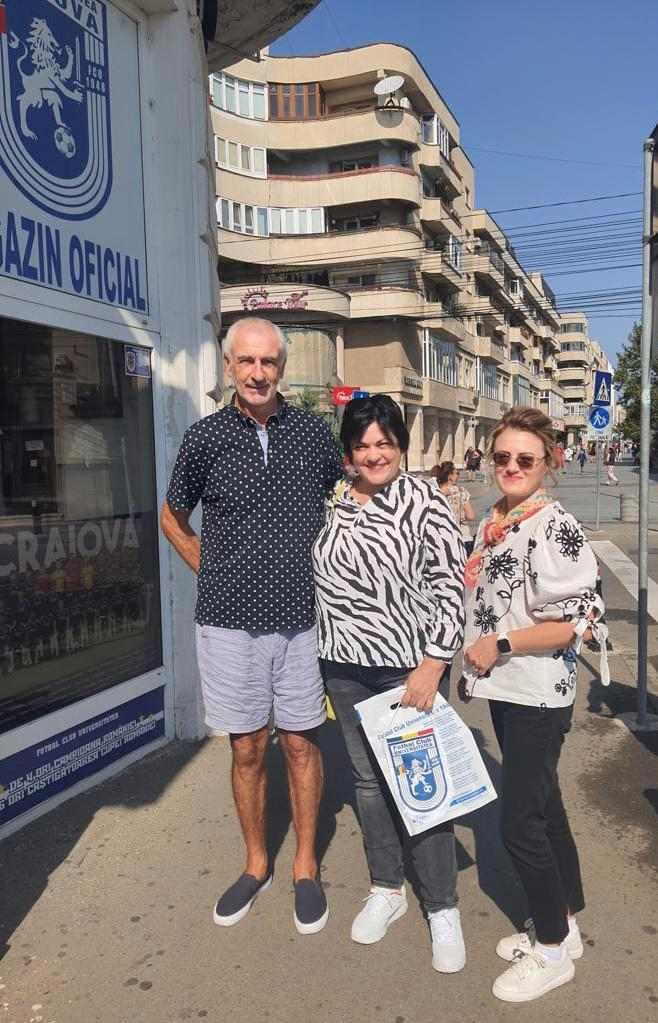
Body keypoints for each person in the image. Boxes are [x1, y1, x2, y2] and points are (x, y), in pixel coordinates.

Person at [160, 317, 343, 935]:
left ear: (281, 368)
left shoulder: (314, 435)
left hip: (302, 620)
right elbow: (172, 516)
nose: (258, 373)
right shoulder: (205, 438)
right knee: (246, 748)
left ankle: (305, 865)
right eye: (246, 361)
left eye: (268, 362)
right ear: (229, 367)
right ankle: (256, 863)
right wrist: (210, 570)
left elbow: (352, 507)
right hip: (228, 625)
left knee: (300, 744)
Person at [313, 395, 467, 973]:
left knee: (422, 786)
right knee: (369, 784)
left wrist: (434, 663)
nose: (373, 455)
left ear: (400, 446)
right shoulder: (333, 499)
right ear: (348, 451)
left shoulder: (424, 500)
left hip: (407, 669)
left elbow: (450, 587)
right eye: (362, 445)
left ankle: (442, 905)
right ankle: (387, 887)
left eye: (384, 443)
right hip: (343, 666)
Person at [461, 406, 607, 1004]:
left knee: (519, 823)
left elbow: (571, 624)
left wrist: (497, 644)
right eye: (502, 457)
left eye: (526, 458)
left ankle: (550, 951)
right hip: (507, 687)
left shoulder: (554, 526)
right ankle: (564, 921)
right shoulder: (499, 518)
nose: (512, 467)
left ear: (549, 462)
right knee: (545, 807)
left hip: (537, 691)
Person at [433, 461, 476, 554]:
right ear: (450, 476)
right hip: (462, 537)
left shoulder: (434, 493)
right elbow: (471, 516)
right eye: (457, 473)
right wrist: (460, 516)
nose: (458, 476)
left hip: (440, 541)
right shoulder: (461, 491)